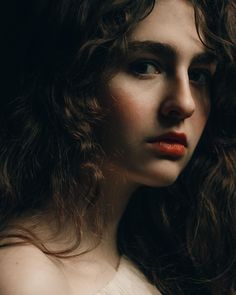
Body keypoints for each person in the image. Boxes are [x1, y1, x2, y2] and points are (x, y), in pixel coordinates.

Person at [0, 0, 235, 294]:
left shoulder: (164, 254)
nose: (185, 103)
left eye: (198, 75)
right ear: (75, 80)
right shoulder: (30, 278)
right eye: (145, 67)